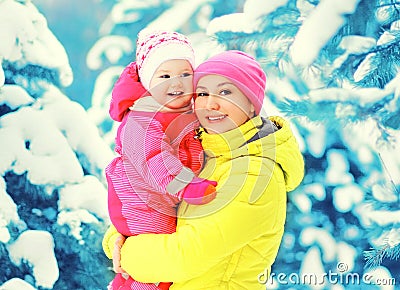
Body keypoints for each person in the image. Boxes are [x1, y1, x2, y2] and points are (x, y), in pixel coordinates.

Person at [103, 50, 305, 289]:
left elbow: (184, 257)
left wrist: (126, 253)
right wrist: (116, 240)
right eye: (202, 93)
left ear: (252, 104)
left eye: (225, 92)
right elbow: (146, 210)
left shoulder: (257, 173)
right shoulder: (206, 157)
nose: (211, 103)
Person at [104, 30, 218, 290]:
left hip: (163, 199)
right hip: (142, 202)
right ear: (148, 82)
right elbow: (154, 158)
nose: (175, 83)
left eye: (185, 74)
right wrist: (187, 185)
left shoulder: (186, 112)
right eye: (164, 76)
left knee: (161, 267)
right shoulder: (142, 120)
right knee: (151, 269)